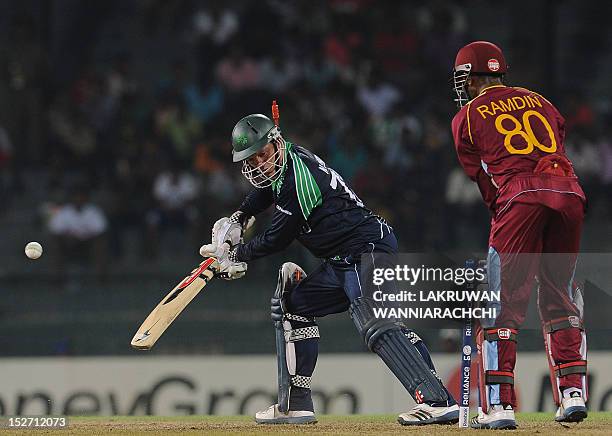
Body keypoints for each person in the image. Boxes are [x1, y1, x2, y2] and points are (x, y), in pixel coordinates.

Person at [200, 112, 459, 425]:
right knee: (292, 305)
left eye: (263, 155)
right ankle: (296, 404)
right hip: (341, 260)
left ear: (276, 143)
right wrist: (240, 216)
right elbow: (267, 190)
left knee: (374, 320)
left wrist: (238, 254)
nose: (259, 165)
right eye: (251, 161)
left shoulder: (300, 180)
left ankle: (437, 401)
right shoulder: (288, 162)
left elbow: (276, 238)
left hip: (367, 250)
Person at [451, 41, 588, 429]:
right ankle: (573, 392)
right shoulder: (540, 100)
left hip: (518, 197)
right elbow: (556, 141)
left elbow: (485, 180)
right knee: (560, 295)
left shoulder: (467, 115)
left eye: (463, 78)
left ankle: (499, 405)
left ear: (473, 78)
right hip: (569, 192)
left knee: (503, 304)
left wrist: (506, 230)